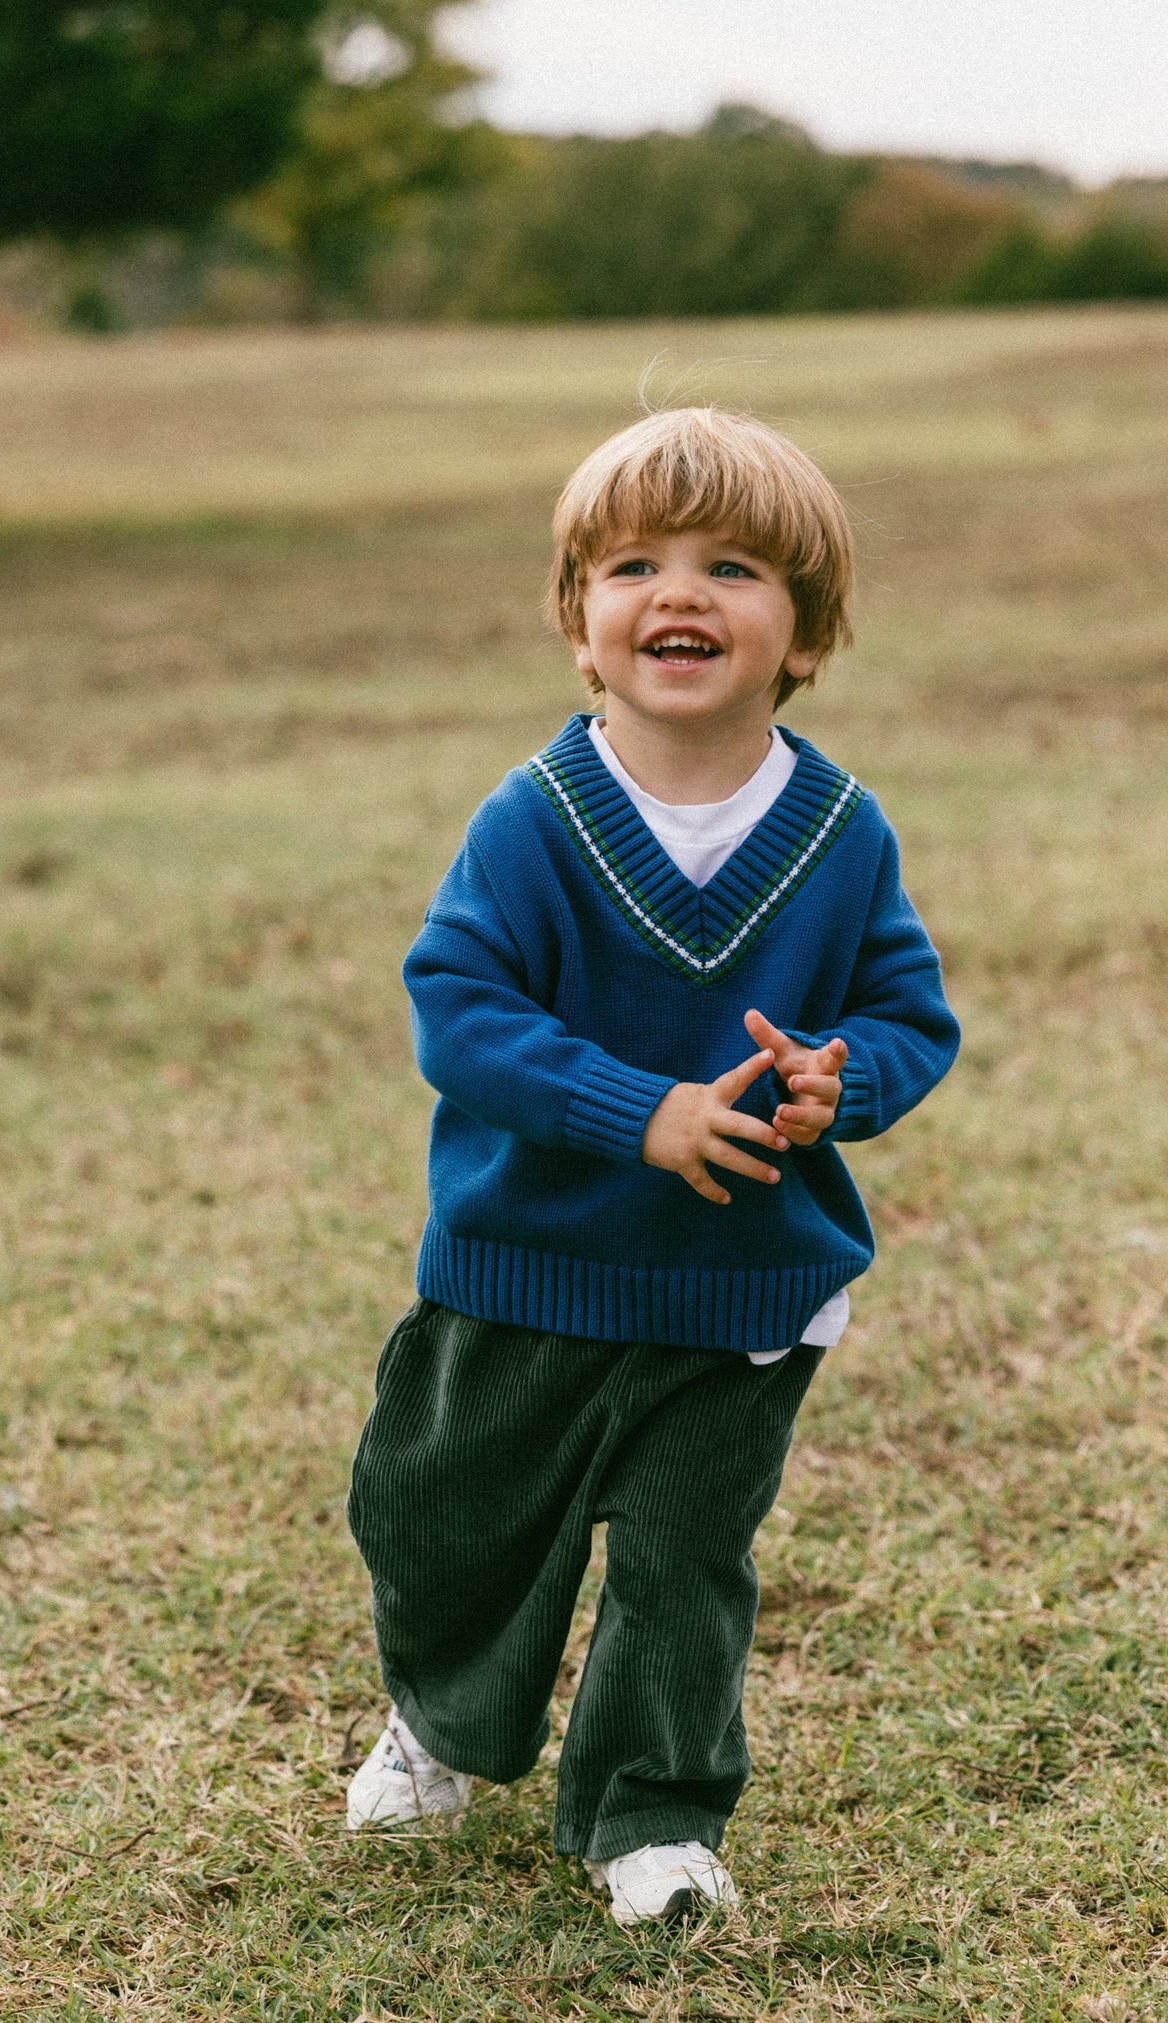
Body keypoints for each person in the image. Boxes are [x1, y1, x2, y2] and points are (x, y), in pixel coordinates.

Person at [344, 406, 960, 1925]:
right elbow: (461, 1009)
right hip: (526, 1264)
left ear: (804, 635)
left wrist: (841, 1078)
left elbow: (905, 1015)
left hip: (743, 1280)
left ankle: (653, 1820)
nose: (678, 593)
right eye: (634, 564)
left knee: (686, 1564)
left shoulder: (836, 829)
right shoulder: (536, 821)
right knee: (445, 1524)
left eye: (732, 567)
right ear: (579, 626)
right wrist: (641, 1112)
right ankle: (443, 1720)